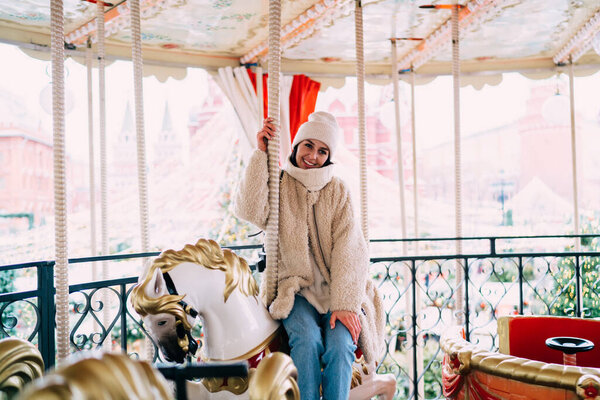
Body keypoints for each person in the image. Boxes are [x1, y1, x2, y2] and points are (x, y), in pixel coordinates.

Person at [234, 111, 384, 399]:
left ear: (329, 156)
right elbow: (249, 210)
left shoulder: (338, 190)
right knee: (306, 339)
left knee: (341, 346)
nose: (313, 155)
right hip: (295, 290)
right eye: (308, 145)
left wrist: (344, 303)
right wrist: (261, 154)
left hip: (337, 293)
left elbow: (350, 248)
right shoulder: (280, 184)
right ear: (296, 146)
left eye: (322, 150)